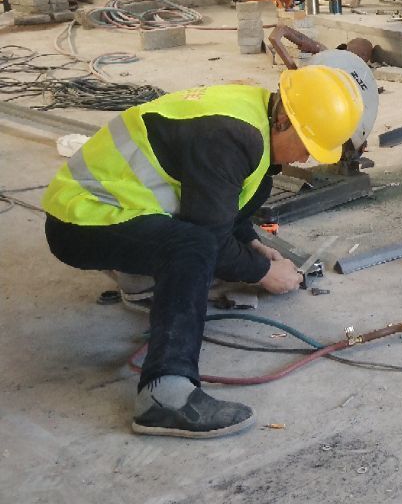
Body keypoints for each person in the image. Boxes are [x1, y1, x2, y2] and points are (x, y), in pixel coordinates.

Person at [42, 65, 365, 439]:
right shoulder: (228, 137)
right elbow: (210, 238)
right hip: (80, 219)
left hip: (117, 209)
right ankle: (165, 395)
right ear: (283, 121)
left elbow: (221, 199)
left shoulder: (253, 115)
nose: (306, 158)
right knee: (192, 248)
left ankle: (143, 282)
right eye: (307, 145)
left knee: (219, 224)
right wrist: (263, 272)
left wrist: (252, 244)